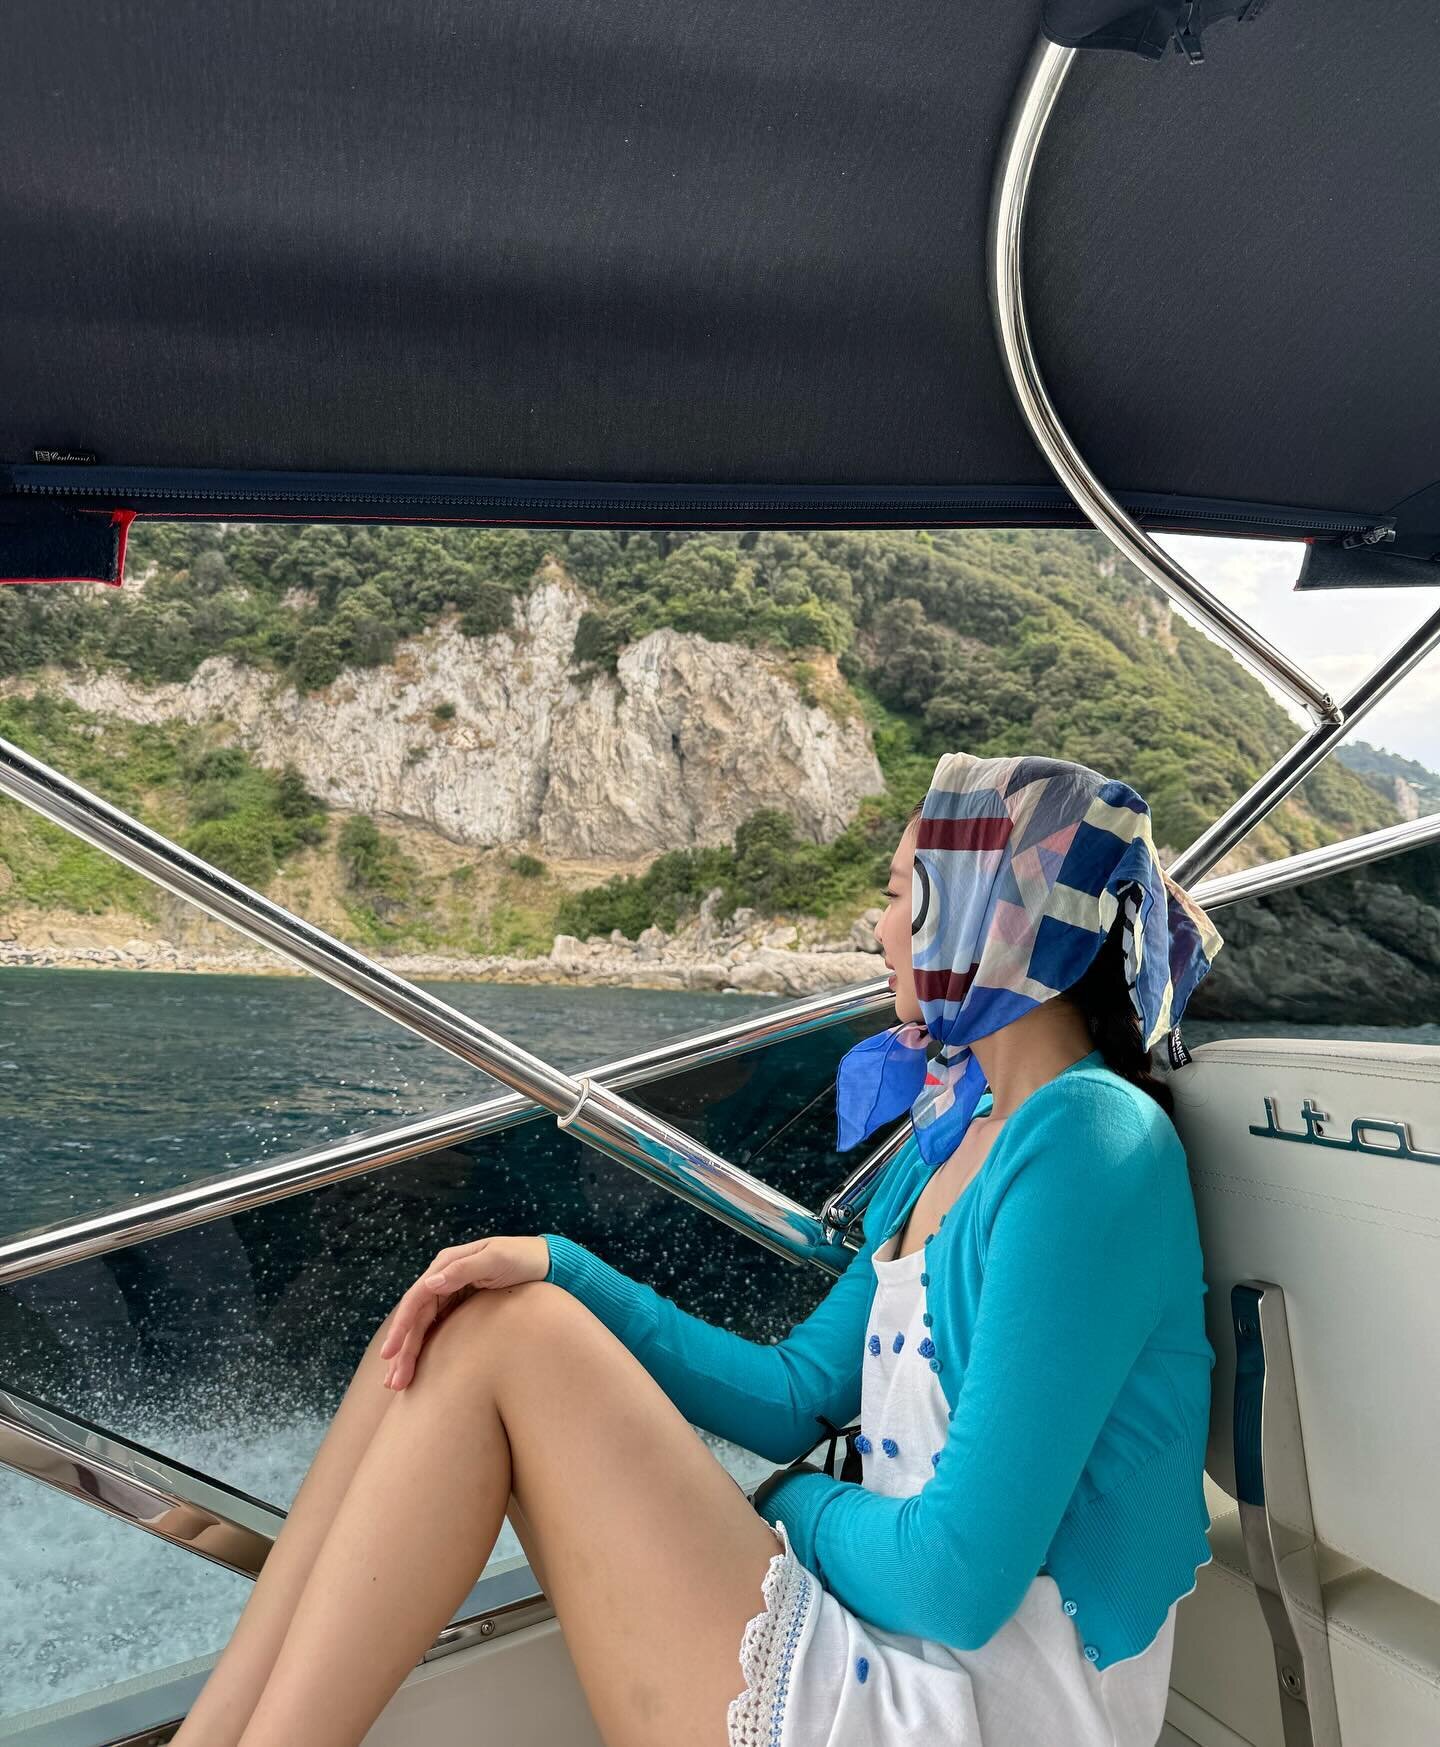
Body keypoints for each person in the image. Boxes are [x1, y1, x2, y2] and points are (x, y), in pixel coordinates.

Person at [170, 749, 1224, 1747]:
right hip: (890, 1637)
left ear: (995, 916)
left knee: (504, 1336)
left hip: (979, 1705)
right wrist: (560, 1263)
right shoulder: (955, 1130)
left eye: (906, 893)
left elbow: (957, 1582)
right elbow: (795, 1390)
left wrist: (787, 1502)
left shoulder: (1088, 1139)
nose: (880, 928)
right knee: (466, 1308)